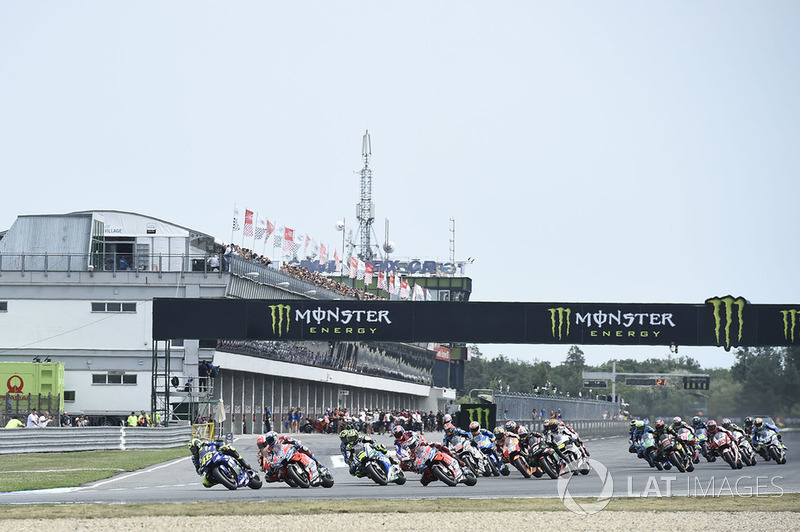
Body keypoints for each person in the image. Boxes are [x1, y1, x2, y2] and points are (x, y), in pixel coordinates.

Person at [189, 437, 253, 488]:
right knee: (206, 483)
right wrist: (200, 470)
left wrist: (222, 446)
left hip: (217, 455)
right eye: (192, 450)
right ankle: (222, 479)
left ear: (198, 445)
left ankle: (244, 463)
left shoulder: (206, 444)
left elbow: (217, 443)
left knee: (230, 449)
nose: (193, 451)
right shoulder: (194, 458)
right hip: (208, 465)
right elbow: (197, 468)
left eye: (194, 449)